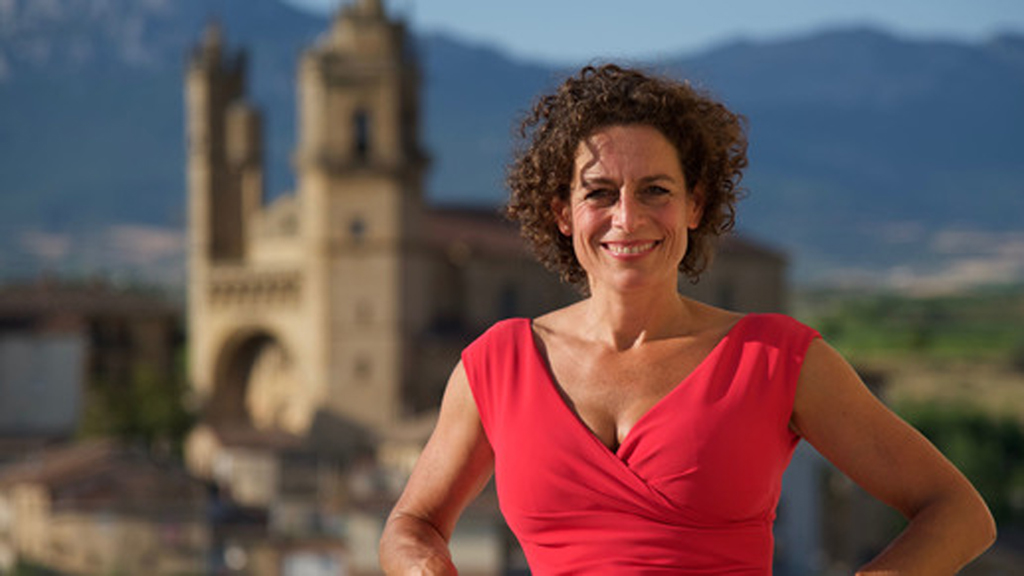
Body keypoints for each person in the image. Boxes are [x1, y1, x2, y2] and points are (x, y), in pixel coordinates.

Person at [379, 64, 995, 575]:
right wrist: (424, 567)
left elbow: (957, 512)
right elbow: (412, 524)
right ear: (562, 213)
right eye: (599, 192)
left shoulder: (775, 358)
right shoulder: (496, 365)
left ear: (695, 205)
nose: (627, 218)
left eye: (655, 190)